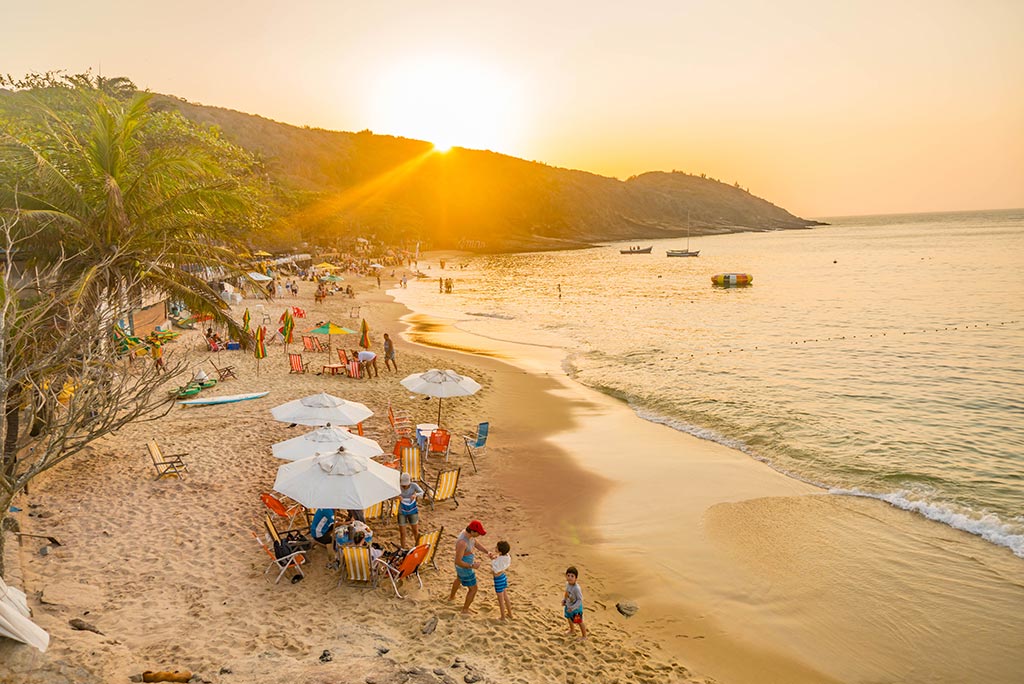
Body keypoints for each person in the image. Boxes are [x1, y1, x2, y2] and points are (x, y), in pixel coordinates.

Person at [448, 520, 492, 614]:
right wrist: (472, 566)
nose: (479, 535)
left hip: (464, 567)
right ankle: (465, 609)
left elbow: (477, 544)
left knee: (458, 579)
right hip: (465, 568)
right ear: (472, 531)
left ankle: (451, 597)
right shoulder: (462, 543)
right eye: (478, 533)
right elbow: (458, 561)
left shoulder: (469, 535)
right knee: (473, 589)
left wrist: (487, 552)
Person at [397, 472, 424, 548]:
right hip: (401, 511)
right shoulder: (398, 487)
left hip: (412, 510)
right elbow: (390, 496)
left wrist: (415, 495)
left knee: (415, 530)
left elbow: (422, 492)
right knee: (402, 533)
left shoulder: (413, 486)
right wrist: (397, 497)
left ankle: (418, 547)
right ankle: (403, 548)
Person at [562, 566, 587, 640]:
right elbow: (566, 593)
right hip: (568, 605)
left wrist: (573, 608)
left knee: (579, 621)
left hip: (576, 609)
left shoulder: (577, 588)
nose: (570, 577)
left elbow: (580, 600)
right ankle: (572, 630)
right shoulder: (567, 584)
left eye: (572, 576)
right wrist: (564, 600)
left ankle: (584, 636)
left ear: (576, 578)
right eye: (568, 575)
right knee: (569, 618)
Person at [492, 540, 513, 620]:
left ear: (500, 551)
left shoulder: (500, 560)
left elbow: (495, 568)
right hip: (503, 576)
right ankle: (510, 614)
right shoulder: (507, 556)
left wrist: (493, 560)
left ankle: (503, 617)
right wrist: (495, 558)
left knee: (500, 599)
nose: (495, 548)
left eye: (497, 548)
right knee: (505, 597)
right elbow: (499, 560)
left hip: (498, 579)